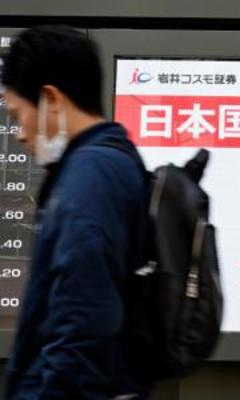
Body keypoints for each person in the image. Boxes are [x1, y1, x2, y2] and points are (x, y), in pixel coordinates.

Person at [1, 26, 152, 399]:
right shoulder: (107, 162)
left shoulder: (91, 176)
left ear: (51, 99)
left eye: (18, 115)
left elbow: (83, 317)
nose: (19, 133)